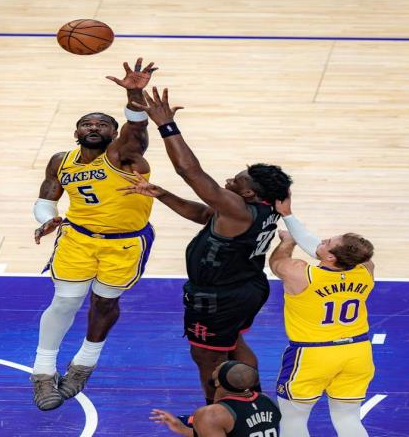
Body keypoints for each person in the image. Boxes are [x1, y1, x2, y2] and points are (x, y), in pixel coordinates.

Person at [120, 87, 292, 405]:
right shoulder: (261, 207)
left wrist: (166, 125)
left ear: (249, 194)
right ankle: (254, 405)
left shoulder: (238, 208)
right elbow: (203, 215)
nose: (228, 182)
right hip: (246, 286)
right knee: (233, 344)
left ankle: (219, 414)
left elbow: (190, 171)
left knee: (207, 357)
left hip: (219, 296)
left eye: (236, 182)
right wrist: (162, 194)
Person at [30, 57, 158, 411]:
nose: (94, 127)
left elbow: (138, 133)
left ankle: (84, 364)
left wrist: (134, 95)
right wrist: (47, 219)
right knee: (65, 301)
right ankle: (42, 372)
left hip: (125, 243)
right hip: (78, 237)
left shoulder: (125, 157)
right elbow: (45, 199)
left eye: (102, 124)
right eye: (87, 123)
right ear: (76, 133)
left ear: (114, 134)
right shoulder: (61, 160)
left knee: (104, 303)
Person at [269, 194, 375, 437]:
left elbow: (277, 262)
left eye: (327, 241)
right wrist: (288, 216)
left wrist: (288, 241)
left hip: (313, 354)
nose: (322, 240)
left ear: (330, 257)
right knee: (348, 418)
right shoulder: (365, 270)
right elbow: (321, 250)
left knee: (293, 419)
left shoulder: (300, 273)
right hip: (357, 352)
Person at [150, 361, 281, 436]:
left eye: (218, 368)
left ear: (217, 382)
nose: (217, 366)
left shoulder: (212, 414)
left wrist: (184, 428)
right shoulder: (267, 400)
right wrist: (182, 429)